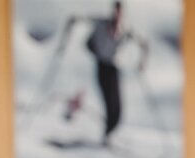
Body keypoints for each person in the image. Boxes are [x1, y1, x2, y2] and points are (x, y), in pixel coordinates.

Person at [59, 2, 148, 144]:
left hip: (114, 68)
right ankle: (107, 135)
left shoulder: (124, 29)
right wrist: (72, 22)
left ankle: (109, 133)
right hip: (102, 67)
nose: (117, 15)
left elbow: (143, 43)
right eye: (116, 11)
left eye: (120, 12)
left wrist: (141, 62)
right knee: (109, 103)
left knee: (117, 108)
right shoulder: (101, 23)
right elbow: (81, 19)